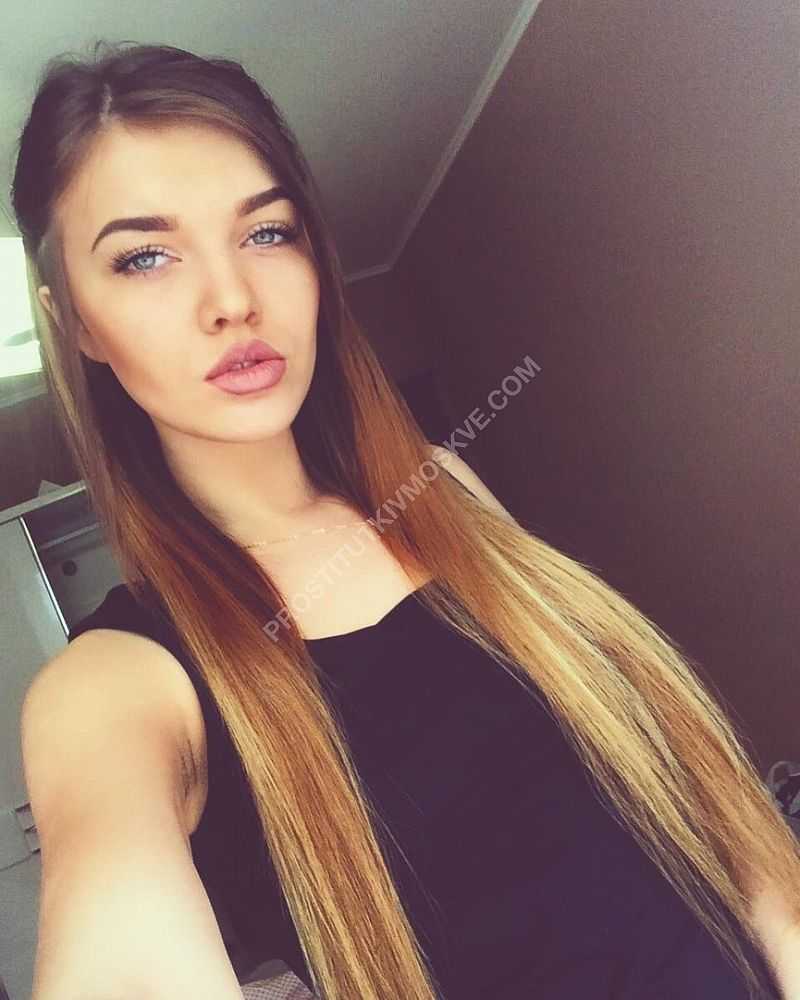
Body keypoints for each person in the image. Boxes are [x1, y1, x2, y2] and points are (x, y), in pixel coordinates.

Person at [12, 40, 797, 1000]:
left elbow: (685, 799)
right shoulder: (111, 685)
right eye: (145, 257)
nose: (232, 300)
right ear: (77, 322)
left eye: (267, 233)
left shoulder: (440, 486)